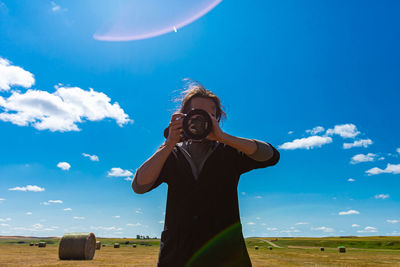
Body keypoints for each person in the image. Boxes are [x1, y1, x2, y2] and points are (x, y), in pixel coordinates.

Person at [132, 81, 280, 267]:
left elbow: (271, 156)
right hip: (178, 256)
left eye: (209, 115)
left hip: (226, 256)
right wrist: (169, 144)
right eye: (195, 114)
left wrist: (223, 137)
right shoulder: (171, 153)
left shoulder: (230, 151)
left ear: (217, 118)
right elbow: (139, 185)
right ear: (184, 117)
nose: (201, 120)